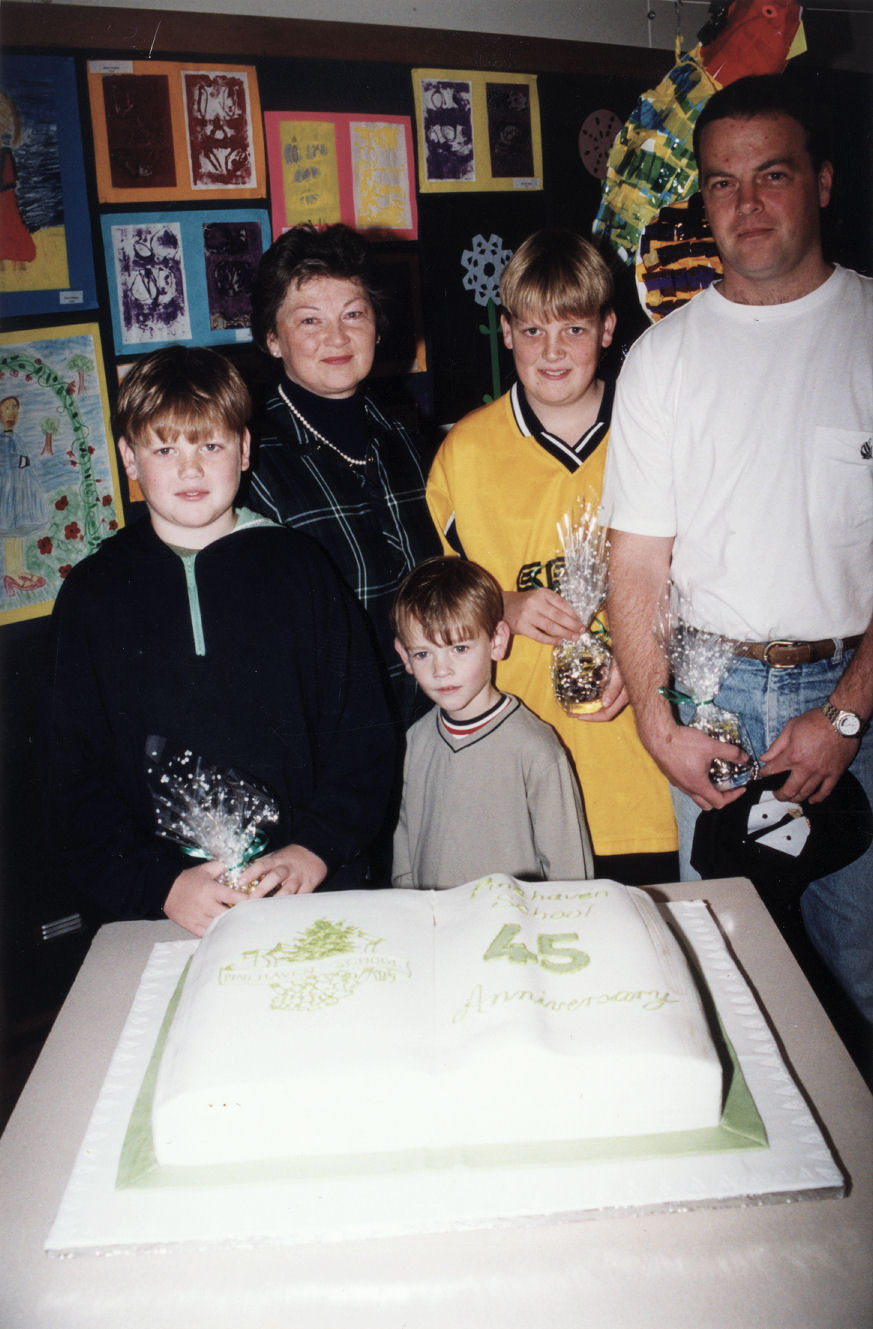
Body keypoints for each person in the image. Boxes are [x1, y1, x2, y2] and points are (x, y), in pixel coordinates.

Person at [602, 75, 873, 1032]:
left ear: (823, 181)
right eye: (721, 184)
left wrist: (843, 717)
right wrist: (655, 720)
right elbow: (633, 566)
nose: (746, 205)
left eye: (771, 175)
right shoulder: (661, 359)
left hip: (855, 704)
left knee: (862, 964)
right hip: (707, 701)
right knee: (723, 976)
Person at [49, 347, 396, 937]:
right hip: (158, 911)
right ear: (129, 458)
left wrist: (314, 849)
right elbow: (72, 778)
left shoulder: (301, 569)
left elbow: (363, 736)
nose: (190, 470)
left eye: (210, 445)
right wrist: (159, 885)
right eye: (165, 449)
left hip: (303, 892)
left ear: (244, 448)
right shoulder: (92, 595)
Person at [426, 229, 677, 883]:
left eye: (571, 328)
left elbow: (706, 582)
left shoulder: (653, 433)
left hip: (641, 779)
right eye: (533, 331)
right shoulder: (465, 451)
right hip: (513, 781)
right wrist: (500, 603)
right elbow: (432, 610)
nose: (553, 351)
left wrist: (648, 648)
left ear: (606, 328)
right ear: (505, 331)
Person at [246, 223, 440, 723]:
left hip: (437, 729)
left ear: (377, 325)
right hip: (335, 750)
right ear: (272, 338)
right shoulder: (250, 464)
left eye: (354, 314)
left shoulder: (408, 441)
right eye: (309, 321)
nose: (337, 337)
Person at [391, 556, 593, 889]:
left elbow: (571, 872)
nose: (441, 670)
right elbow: (405, 850)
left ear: (496, 641)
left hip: (517, 929)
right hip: (438, 929)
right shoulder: (415, 741)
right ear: (404, 656)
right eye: (423, 654)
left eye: (459, 648)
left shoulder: (534, 747)